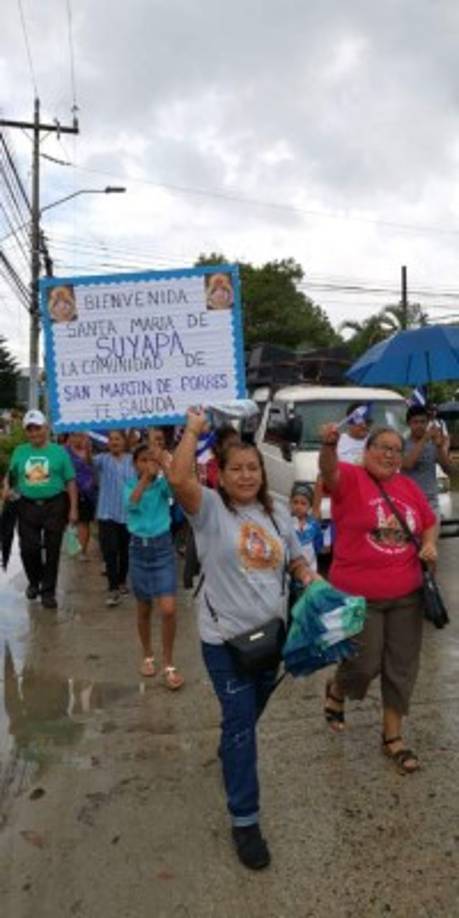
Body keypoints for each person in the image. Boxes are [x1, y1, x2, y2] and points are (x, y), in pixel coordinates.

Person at [168, 408, 314, 870]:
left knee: (246, 719)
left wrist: (310, 578)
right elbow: (177, 479)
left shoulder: (277, 510)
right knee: (239, 724)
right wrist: (192, 430)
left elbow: (297, 560)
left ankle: (231, 749)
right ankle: (245, 820)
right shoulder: (208, 509)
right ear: (222, 475)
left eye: (253, 467)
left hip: (270, 640)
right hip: (224, 642)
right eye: (237, 469)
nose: (247, 475)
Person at [319, 423, 437, 774]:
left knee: (401, 667)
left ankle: (393, 737)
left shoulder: (408, 487)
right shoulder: (351, 479)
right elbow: (328, 471)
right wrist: (329, 444)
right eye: (382, 447)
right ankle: (338, 687)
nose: (390, 454)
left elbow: (429, 521)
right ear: (365, 451)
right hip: (359, 596)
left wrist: (429, 543)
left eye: (396, 449)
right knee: (363, 663)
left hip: (406, 595)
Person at [124, 443, 184, 687]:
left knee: (168, 608)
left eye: (151, 460)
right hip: (138, 550)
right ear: (135, 464)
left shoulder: (162, 486)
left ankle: (169, 664)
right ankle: (148, 655)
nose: (147, 464)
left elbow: (176, 492)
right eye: (142, 460)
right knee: (144, 608)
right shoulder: (129, 484)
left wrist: (164, 466)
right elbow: (131, 504)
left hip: (162, 549)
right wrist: (145, 479)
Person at [4, 409, 78, 609]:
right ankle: (34, 581)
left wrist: (73, 509)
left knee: (52, 550)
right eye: (30, 430)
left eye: (37, 428)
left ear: (45, 428)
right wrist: (6, 490)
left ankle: (48, 592)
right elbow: (10, 476)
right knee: (29, 548)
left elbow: (70, 481)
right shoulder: (20, 451)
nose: (34, 433)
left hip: (55, 505)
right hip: (26, 505)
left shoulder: (59, 452)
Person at [93, 430, 134, 606]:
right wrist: (86, 447)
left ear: (124, 441)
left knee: (125, 552)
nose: (114, 442)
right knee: (109, 551)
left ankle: (122, 581)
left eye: (118, 439)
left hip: (128, 514)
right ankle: (112, 587)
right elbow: (88, 462)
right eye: (111, 439)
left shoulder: (133, 460)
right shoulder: (102, 459)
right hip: (106, 513)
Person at [402, 404, 452, 516]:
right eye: (415, 422)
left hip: (431, 502)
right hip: (409, 501)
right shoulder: (402, 444)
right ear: (408, 424)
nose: (420, 426)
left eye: (423, 422)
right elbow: (407, 464)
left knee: (433, 533)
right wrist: (425, 438)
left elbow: (448, 469)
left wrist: (439, 447)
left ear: (427, 423)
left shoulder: (432, 444)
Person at [66, 433, 98, 560]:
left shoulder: (89, 450)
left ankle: (82, 551)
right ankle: (71, 547)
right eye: (74, 436)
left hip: (87, 492)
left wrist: (88, 452)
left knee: (84, 522)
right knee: (71, 521)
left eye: (80, 436)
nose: (77, 439)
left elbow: (93, 468)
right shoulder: (65, 451)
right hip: (68, 491)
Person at [290, 483, 323, 573]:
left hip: (311, 567)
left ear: (309, 506)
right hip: (292, 569)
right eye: (295, 502)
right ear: (290, 503)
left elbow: (318, 542)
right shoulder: (287, 523)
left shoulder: (313, 524)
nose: (298, 506)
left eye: (303, 503)